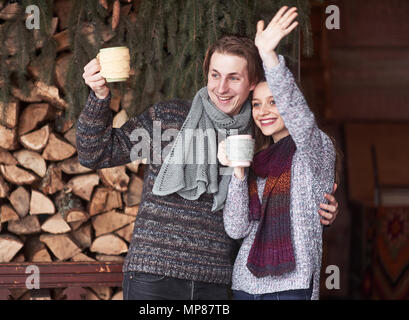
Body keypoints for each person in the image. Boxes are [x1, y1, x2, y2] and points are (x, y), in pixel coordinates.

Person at [77, 5, 338, 300]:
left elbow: (281, 196)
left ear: (252, 84)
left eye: (234, 78)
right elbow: (94, 153)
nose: (222, 88)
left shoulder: (258, 139)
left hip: (214, 282)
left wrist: (321, 205)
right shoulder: (168, 118)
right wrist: (99, 98)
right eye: (215, 75)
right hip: (153, 276)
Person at [218, 7, 336, 300]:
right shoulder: (258, 161)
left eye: (274, 102)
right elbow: (236, 228)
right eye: (257, 104)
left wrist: (268, 56)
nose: (264, 111)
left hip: (291, 285)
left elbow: (299, 117)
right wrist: (238, 172)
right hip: (245, 283)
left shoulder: (315, 150)